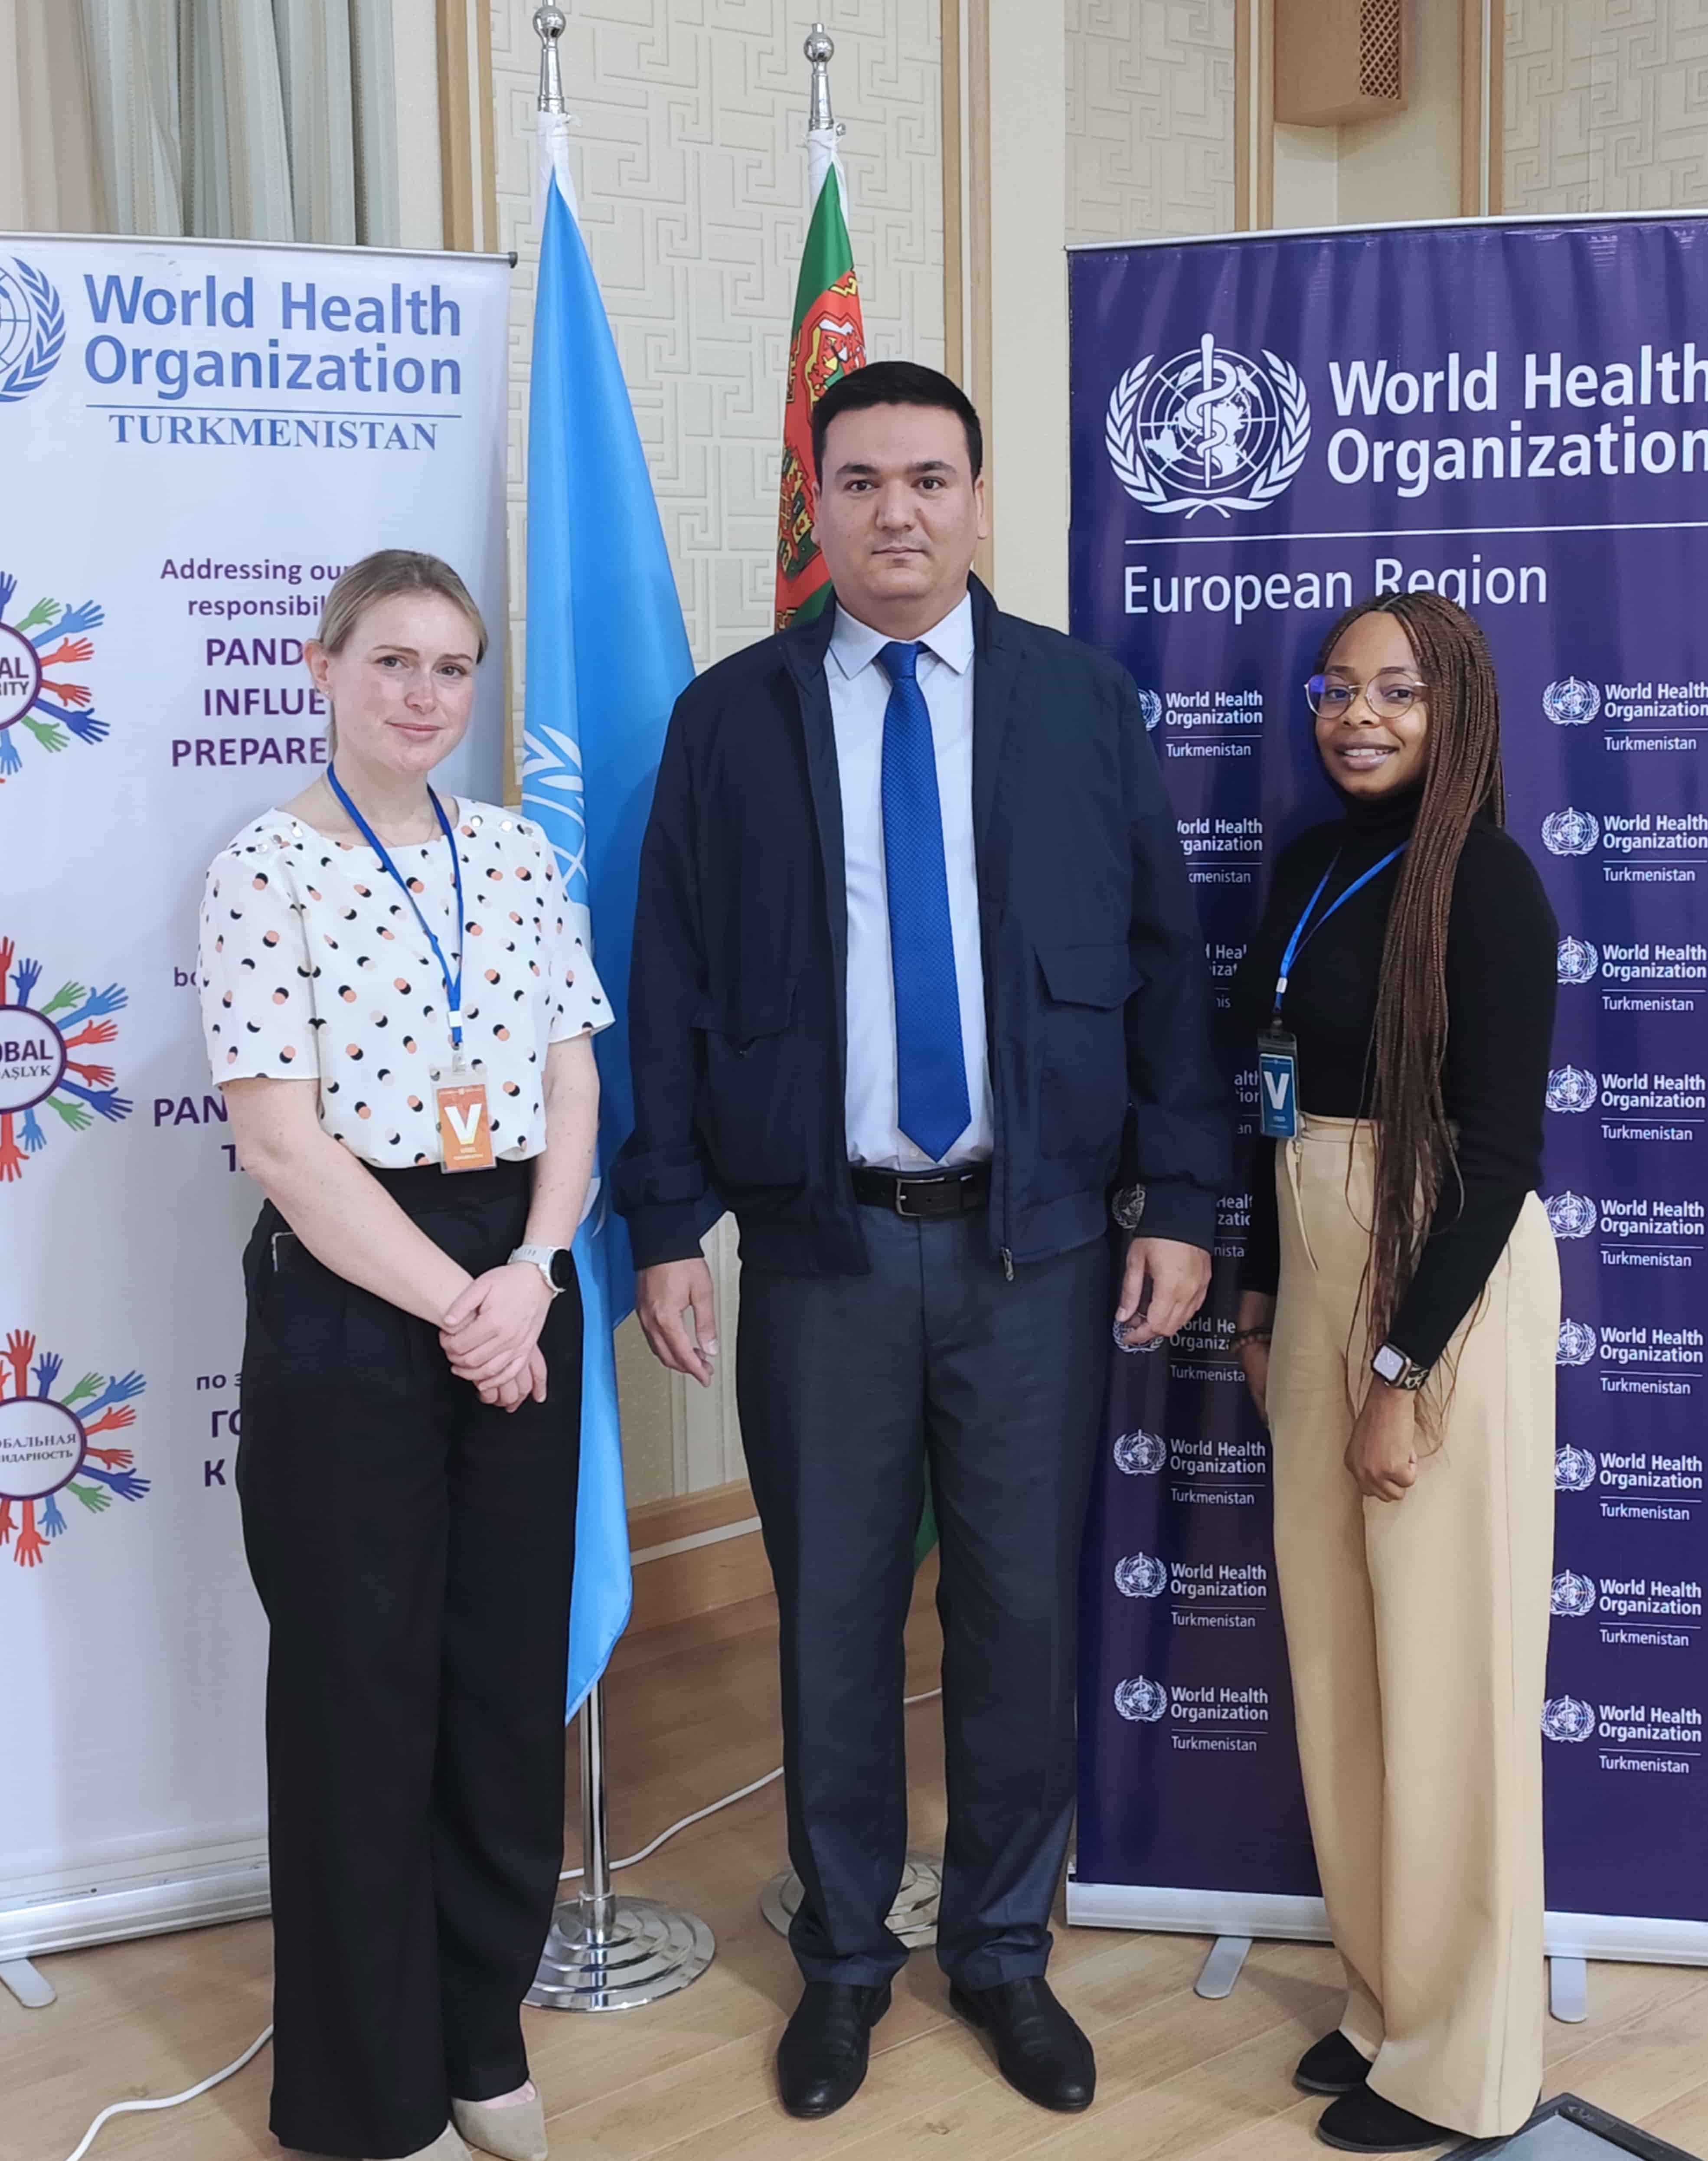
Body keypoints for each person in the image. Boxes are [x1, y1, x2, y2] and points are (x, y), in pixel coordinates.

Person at [617, 361, 1229, 2120]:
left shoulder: (1079, 701)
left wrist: (1180, 1198)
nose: (897, 510)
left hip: (1033, 1249)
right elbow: (671, 975)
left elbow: (1163, 964)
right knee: (831, 1615)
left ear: (977, 497)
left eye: (930, 478)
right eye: (862, 479)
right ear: (815, 501)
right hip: (823, 1247)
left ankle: (1002, 1952)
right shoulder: (729, 718)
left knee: (1020, 1615)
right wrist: (667, 1218)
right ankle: (841, 1962)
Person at [197, 550, 610, 2161]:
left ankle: (479, 2038)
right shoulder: (263, 869)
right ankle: (364, 2100)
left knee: (501, 1689)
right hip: (357, 1290)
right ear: (324, 667)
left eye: (451, 666)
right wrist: (466, 1308)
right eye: (392, 661)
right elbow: (282, 1148)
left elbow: (572, 1084)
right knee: (361, 1697)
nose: (424, 694)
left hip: (518, 1265)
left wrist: (534, 1270)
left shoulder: (514, 854)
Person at [1229, 593, 1558, 2154]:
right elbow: (1273, 1104)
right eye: (1337, 688)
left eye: (1398, 693)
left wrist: (1397, 1372)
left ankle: (1467, 2064)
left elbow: (1497, 1159)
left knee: (1447, 1677)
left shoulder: (1488, 887)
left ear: (1458, 712)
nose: (1357, 716)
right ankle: (1387, 2004)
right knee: (1343, 1666)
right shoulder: (1311, 862)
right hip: (1313, 1265)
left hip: (1439, 1275)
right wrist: (1259, 1294)